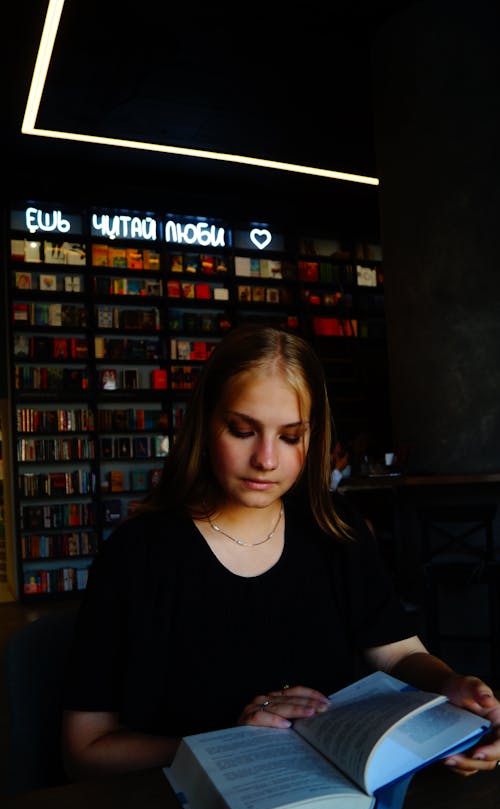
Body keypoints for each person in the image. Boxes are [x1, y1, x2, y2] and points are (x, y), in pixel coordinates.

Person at [61, 323, 500, 779]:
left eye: (290, 436)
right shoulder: (137, 556)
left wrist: (451, 688)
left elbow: (398, 654)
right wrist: (227, 741)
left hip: (330, 801)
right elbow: (85, 748)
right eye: (241, 430)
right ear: (205, 425)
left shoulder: (335, 529)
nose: (266, 460)